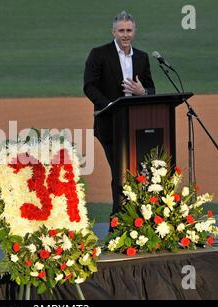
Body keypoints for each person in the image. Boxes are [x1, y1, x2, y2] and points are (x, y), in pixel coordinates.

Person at [83, 11, 155, 216]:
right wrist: (110, 105)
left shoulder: (141, 57)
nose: (125, 35)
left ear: (135, 32)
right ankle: (118, 224)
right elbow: (89, 87)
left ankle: (137, 219)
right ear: (113, 31)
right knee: (121, 172)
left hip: (137, 125)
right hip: (110, 124)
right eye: (121, 31)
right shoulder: (99, 54)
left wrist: (143, 92)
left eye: (129, 31)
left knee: (138, 173)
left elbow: (151, 88)